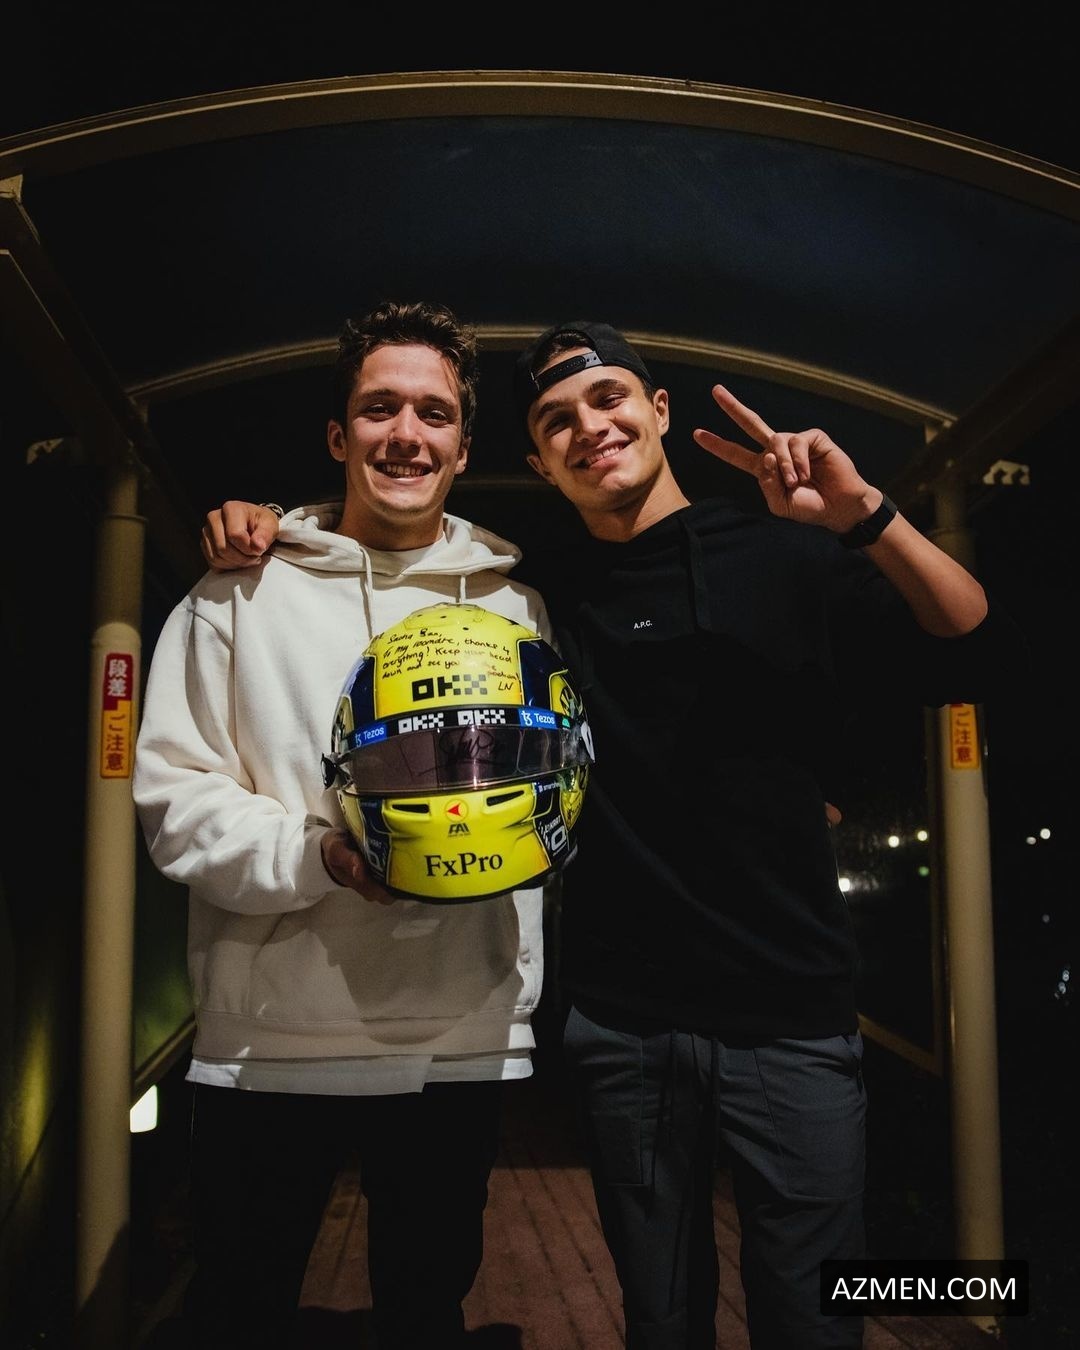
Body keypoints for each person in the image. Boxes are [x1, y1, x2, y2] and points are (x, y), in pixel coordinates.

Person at [205, 319, 1025, 1349]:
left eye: (608, 399)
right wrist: (271, 522)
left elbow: (975, 646)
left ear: (658, 410)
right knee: (658, 1320)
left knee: (817, 1315)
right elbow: (390, 538)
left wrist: (865, 515)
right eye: (556, 422)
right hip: (624, 1027)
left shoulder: (784, 551)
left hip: (792, 1015)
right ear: (539, 465)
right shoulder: (538, 596)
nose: (589, 427)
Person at [133, 300, 555, 1350]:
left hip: (463, 1035)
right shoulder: (234, 595)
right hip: (274, 1040)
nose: (406, 434)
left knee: (426, 1313)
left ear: (464, 445)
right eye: (379, 409)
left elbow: (549, 788)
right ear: (337, 435)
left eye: (433, 414)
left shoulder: (516, 610)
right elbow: (177, 800)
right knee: (240, 1314)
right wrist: (318, 854)